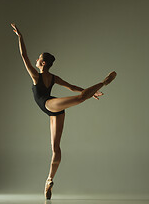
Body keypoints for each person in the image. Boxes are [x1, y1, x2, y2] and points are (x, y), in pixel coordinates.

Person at [11, 23, 117, 200]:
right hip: (54, 112)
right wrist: (89, 93)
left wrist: (20, 36)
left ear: (42, 63)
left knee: (81, 97)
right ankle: (49, 180)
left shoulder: (38, 76)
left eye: (38, 59)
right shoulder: (48, 77)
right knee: (55, 149)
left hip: (49, 104)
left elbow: (24, 55)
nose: (36, 60)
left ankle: (104, 82)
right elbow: (72, 86)